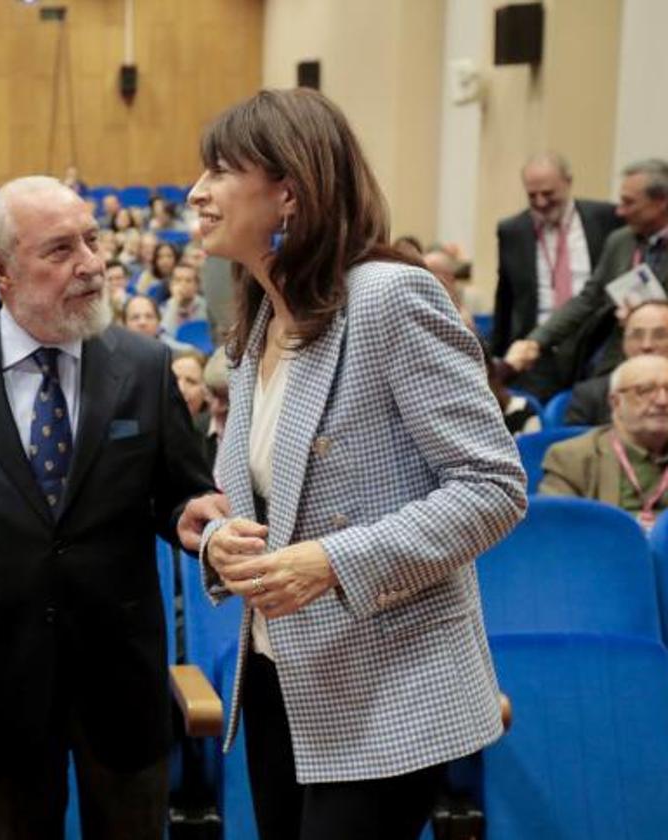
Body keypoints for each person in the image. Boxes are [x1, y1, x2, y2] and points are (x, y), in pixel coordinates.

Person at [177, 89, 526, 840]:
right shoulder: (258, 320)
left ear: (289, 192)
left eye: (220, 170)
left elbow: (493, 487)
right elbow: (275, 504)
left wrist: (335, 560)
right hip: (281, 674)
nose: (197, 193)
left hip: (386, 680)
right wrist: (222, 538)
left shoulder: (389, 298)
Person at [0, 175, 217, 840]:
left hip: (119, 671)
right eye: (60, 250)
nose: (91, 263)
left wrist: (197, 521)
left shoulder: (146, 367)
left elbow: (183, 496)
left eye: (92, 241)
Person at [506, 159, 668, 389]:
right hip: (614, 368)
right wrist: (536, 340)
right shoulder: (620, 241)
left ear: (661, 201)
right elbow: (589, 299)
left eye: (629, 203)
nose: (620, 211)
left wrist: (647, 314)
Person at [492, 153, 622, 361]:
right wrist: (498, 355)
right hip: (536, 348)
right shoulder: (512, 231)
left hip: (593, 346)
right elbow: (505, 297)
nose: (541, 202)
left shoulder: (607, 218)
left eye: (548, 193)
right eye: (532, 195)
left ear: (568, 182)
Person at [540, 354, 668, 530]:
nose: (662, 401)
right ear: (615, 402)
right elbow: (557, 530)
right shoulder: (571, 458)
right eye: (645, 390)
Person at [565, 300, 668, 426]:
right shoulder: (591, 395)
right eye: (636, 335)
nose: (646, 345)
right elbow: (576, 444)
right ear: (624, 342)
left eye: (660, 335)